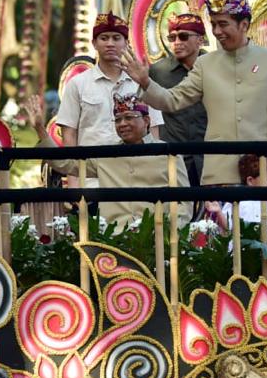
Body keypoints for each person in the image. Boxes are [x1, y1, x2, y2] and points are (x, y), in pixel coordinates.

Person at [122, 0, 267, 185]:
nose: (217, 31)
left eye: (223, 24)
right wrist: (146, 82)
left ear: (244, 25)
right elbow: (172, 100)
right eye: (213, 24)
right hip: (218, 172)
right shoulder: (205, 64)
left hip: (261, 170)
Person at [28, 94, 192, 230]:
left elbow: (185, 202)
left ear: (147, 121)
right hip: (114, 239)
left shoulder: (168, 154)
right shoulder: (106, 154)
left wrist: (168, 229)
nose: (123, 124)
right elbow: (65, 163)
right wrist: (40, 129)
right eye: (118, 120)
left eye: (129, 117)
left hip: (158, 238)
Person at [57, 13, 165, 187]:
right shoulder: (78, 84)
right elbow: (69, 135)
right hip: (92, 179)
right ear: (94, 43)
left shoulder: (142, 83)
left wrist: (152, 176)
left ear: (126, 43)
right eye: (104, 38)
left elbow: (153, 130)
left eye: (116, 38)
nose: (110, 44)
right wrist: (74, 184)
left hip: (136, 178)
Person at [149, 13, 209, 186]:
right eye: (172, 37)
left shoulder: (216, 67)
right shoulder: (158, 72)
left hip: (211, 156)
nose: (176, 42)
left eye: (183, 36)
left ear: (200, 40)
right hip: (174, 158)